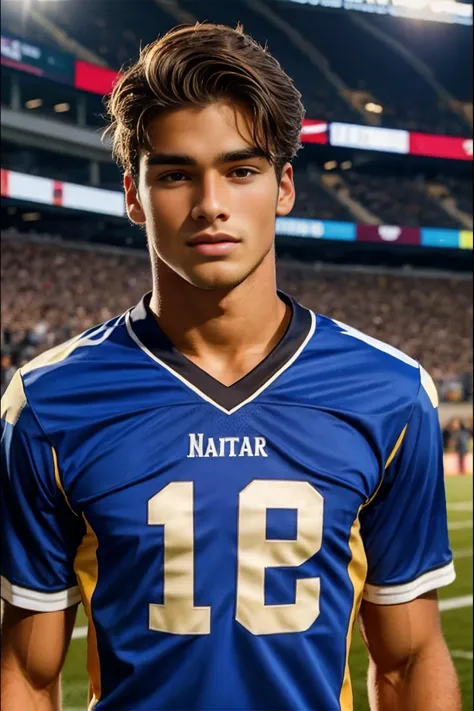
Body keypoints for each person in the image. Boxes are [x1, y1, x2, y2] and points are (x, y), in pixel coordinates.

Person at [1, 22, 461, 711]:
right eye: (177, 173)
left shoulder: (389, 393)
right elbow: (27, 675)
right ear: (133, 194)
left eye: (241, 170)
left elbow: (409, 658)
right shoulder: (48, 403)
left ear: (283, 187)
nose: (211, 204)